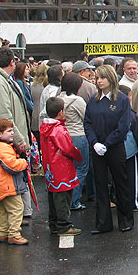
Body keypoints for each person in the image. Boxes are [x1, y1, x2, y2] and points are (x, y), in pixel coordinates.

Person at [0, 47, 32, 231]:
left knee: (8, 183)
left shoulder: (1, 79)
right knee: (2, 184)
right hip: (3, 142)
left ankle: (8, 220)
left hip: (6, 139)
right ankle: (0, 223)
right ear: (12, 62)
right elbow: (2, 115)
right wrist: (18, 139)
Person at [83, 65, 134, 234]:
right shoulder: (93, 100)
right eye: (97, 78)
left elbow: (123, 126)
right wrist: (94, 143)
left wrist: (107, 143)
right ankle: (103, 223)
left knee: (121, 184)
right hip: (97, 149)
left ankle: (125, 220)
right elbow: (87, 123)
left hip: (115, 148)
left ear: (110, 79)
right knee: (101, 185)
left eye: (102, 78)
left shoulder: (121, 100)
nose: (99, 81)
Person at [40, 97, 83, 236]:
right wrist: (78, 155)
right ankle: (63, 225)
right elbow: (67, 148)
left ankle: (54, 223)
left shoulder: (44, 128)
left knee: (53, 197)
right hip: (62, 168)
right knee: (63, 198)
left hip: (50, 169)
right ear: (61, 112)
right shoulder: (58, 130)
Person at [0, 118, 29, 245]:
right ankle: (14, 234)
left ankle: (4, 232)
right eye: (9, 131)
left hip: (1, 187)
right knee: (16, 208)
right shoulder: (3, 149)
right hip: (8, 186)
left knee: (3, 211)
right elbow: (12, 165)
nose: (12, 133)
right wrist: (23, 162)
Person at [58, 72, 89, 212]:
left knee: (67, 170)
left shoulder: (58, 99)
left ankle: (66, 199)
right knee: (81, 169)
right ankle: (74, 200)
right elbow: (86, 118)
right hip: (78, 136)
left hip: (63, 136)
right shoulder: (78, 101)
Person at [118, 85, 138, 212]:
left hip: (117, 151)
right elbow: (137, 134)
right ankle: (135, 202)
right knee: (133, 178)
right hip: (130, 150)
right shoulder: (130, 115)